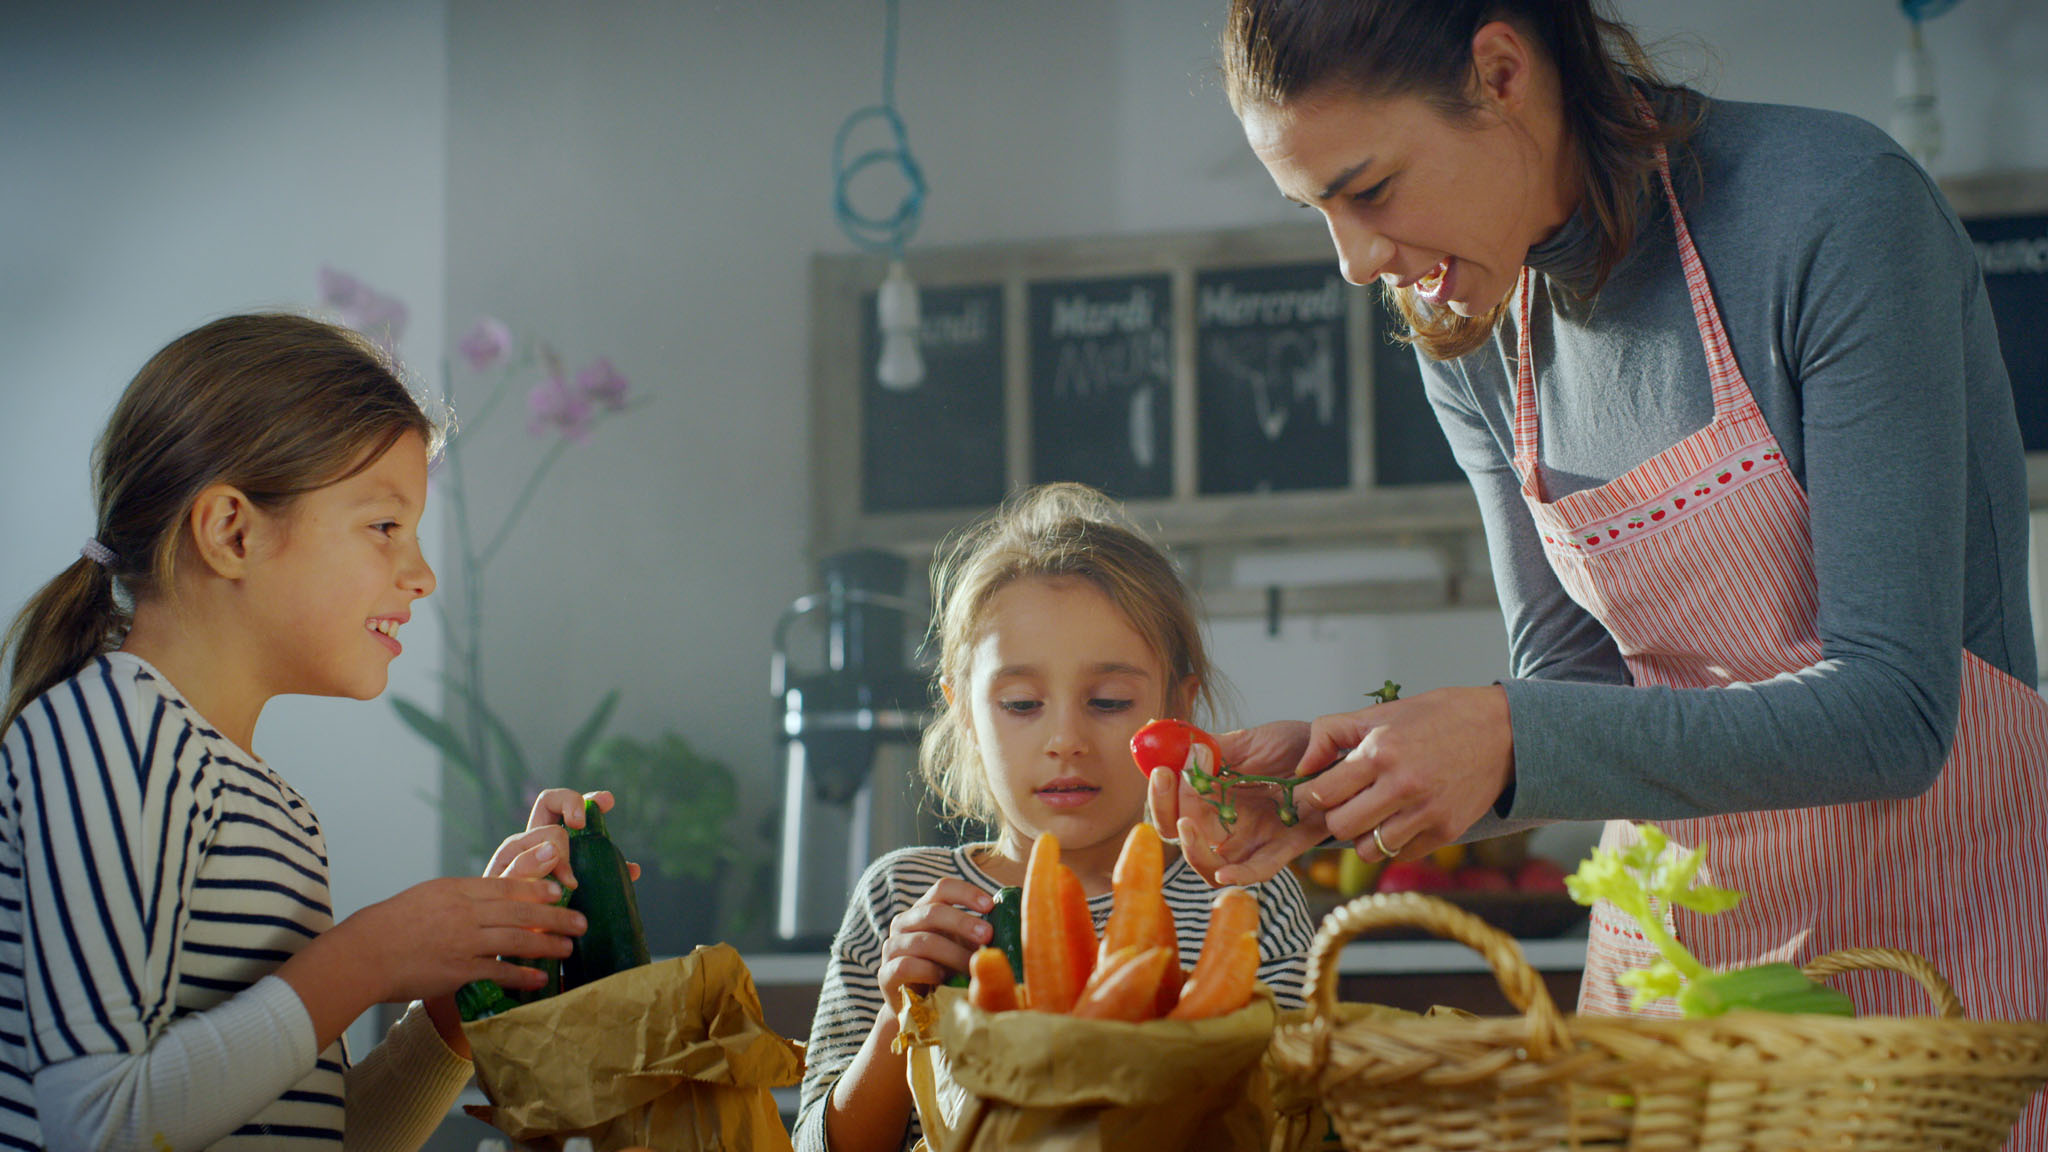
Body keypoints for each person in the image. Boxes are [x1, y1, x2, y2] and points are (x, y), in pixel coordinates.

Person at [1162, 0, 2046, 1141]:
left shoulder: (1832, 210)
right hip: (1676, 983)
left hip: (1940, 962)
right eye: (1315, 211)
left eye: (1367, 189)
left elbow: (1896, 714)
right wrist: (1338, 786)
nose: (1351, 261)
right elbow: (1568, 688)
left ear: (1498, 71)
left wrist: (1505, 733)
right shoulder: (1469, 327)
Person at [0, 313, 606, 1151]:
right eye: (385, 526)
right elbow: (99, 1126)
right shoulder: (109, 736)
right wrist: (367, 958)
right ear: (232, 532)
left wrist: (459, 1004)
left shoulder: (269, 806)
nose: (422, 575)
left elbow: (309, 1136)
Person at [791, 482, 1317, 1152]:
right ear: (964, 714)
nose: (1065, 739)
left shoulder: (1244, 894)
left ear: (1176, 711)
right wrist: (902, 1019)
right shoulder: (903, 899)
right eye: (1019, 704)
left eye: (1107, 701)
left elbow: (1297, 1122)